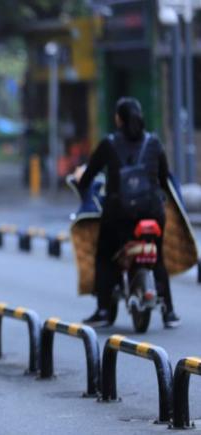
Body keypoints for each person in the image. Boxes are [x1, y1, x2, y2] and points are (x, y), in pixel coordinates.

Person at [76, 97, 179, 328]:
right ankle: (169, 312)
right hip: (153, 212)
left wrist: (81, 187)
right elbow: (164, 179)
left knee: (105, 254)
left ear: (118, 119)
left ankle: (103, 310)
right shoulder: (154, 143)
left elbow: (88, 176)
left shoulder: (109, 144)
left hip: (119, 214)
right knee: (159, 256)